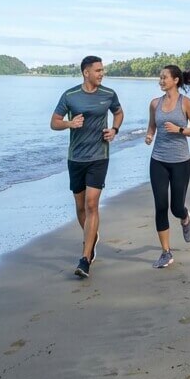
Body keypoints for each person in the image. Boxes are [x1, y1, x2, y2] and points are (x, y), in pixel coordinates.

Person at [50, 55, 123, 278]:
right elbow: (54, 122)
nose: (102, 74)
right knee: (81, 207)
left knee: (92, 204)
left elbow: (118, 113)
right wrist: (69, 123)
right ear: (86, 73)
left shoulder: (108, 94)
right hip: (76, 158)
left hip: (99, 156)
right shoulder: (70, 95)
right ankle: (92, 237)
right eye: (98, 70)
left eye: (103, 70)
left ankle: (85, 257)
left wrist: (114, 130)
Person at [144, 64, 190, 269]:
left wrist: (179, 129)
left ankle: (185, 218)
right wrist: (150, 135)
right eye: (160, 78)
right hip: (158, 160)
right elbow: (152, 125)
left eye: (164, 78)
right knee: (160, 206)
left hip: (180, 161)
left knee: (176, 207)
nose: (160, 81)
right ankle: (165, 252)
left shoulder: (186, 103)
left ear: (175, 80)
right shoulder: (154, 104)